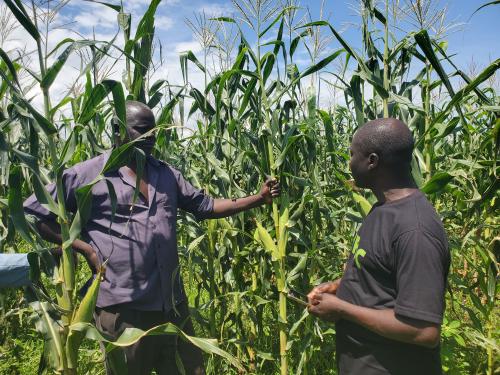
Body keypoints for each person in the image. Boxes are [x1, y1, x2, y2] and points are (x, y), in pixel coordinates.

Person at [23, 100, 280, 375]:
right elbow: (33, 214)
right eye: (142, 130)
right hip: (122, 309)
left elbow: (205, 206)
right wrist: (84, 248)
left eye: (154, 130)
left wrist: (259, 198)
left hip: (172, 305)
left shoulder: (165, 173)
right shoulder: (88, 175)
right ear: (117, 131)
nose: (151, 137)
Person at [307, 118, 450, 375]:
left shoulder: (415, 230)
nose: (349, 163)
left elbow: (424, 331)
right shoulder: (384, 208)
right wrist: (339, 287)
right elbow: (382, 274)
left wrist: (341, 309)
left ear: (372, 161)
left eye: (352, 155)